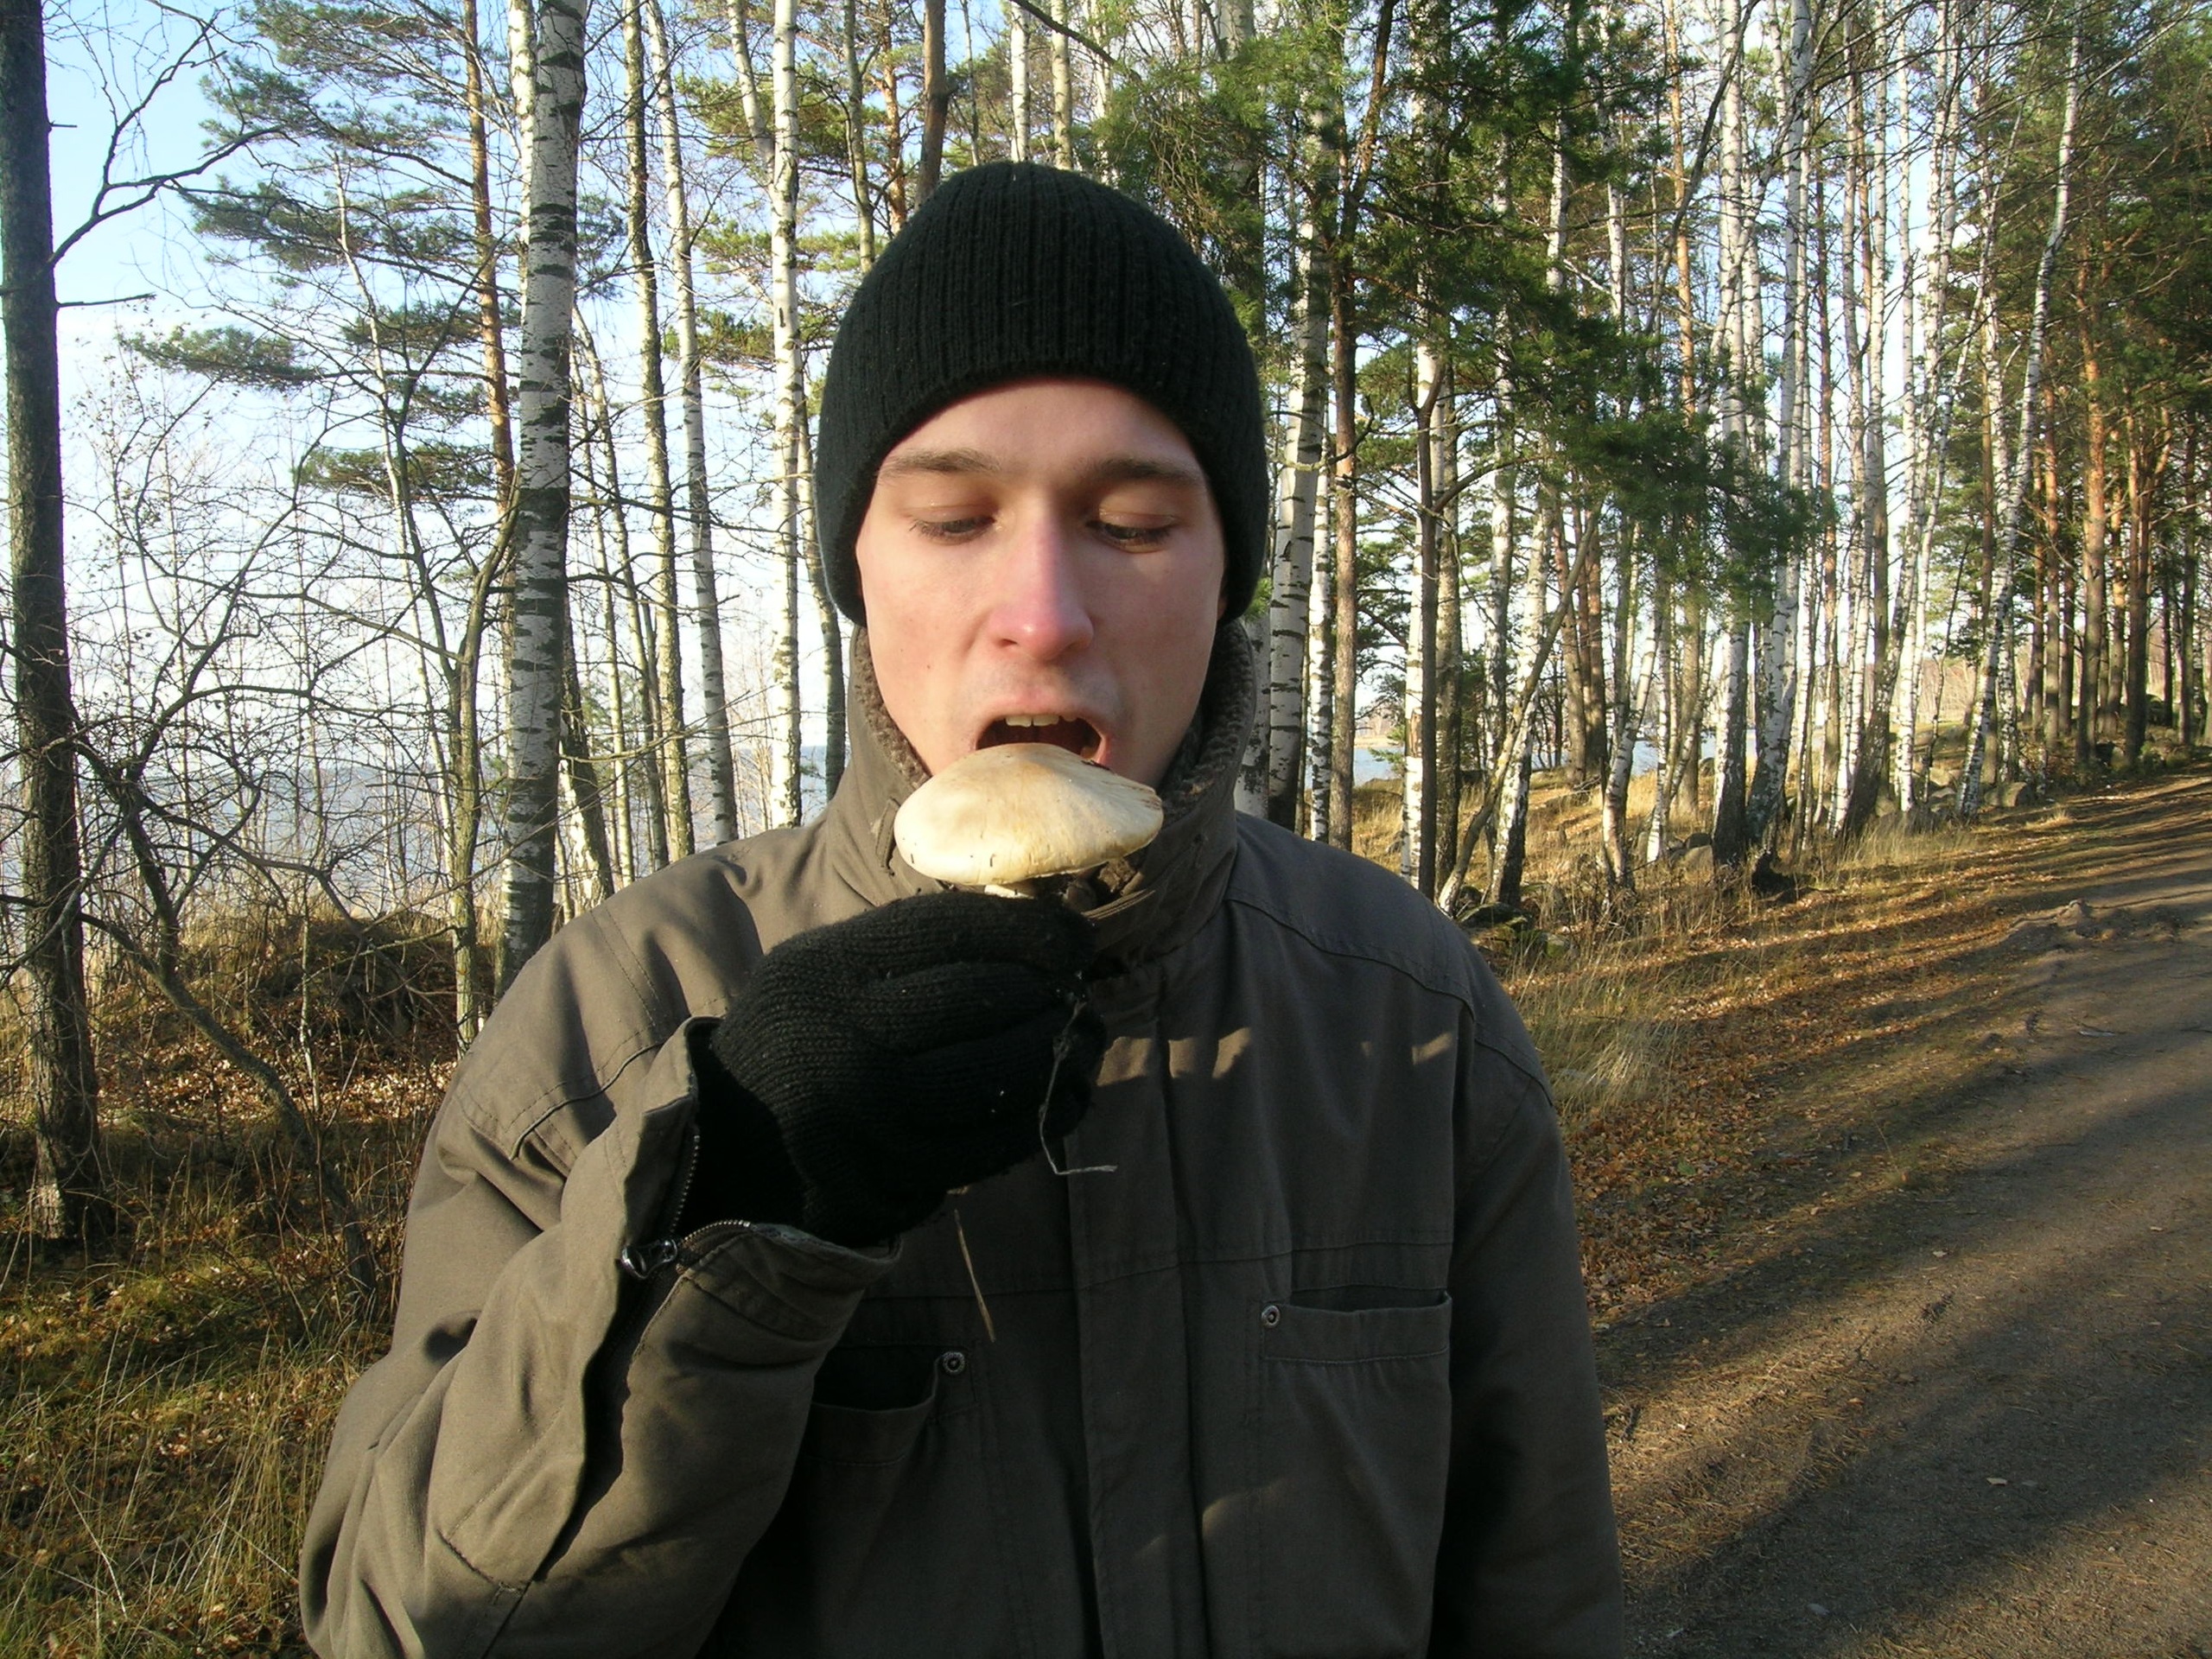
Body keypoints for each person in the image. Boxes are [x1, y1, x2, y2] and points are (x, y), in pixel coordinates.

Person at [301, 162, 1624, 1658]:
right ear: (855, 568)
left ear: (1227, 575)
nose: (1044, 614)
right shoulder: (616, 1021)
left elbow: (1540, 1586)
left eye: (1135, 524)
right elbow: (400, 1627)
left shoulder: (1408, 1012)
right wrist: (728, 1204)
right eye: (952, 518)